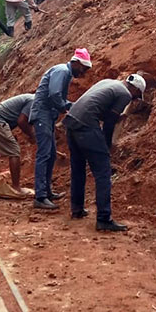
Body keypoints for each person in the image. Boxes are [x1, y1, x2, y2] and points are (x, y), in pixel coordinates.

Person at [64, 74, 146, 231]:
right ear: (135, 89)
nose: (134, 100)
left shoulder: (107, 82)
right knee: (103, 172)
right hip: (86, 126)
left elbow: (96, 107)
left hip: (71, 123)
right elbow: (108, 124)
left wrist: (116, 117)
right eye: (136, 96)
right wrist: (107, 147)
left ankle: (77, 209)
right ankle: (104, 219)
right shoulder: (125, 94)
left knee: (78, 169)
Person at [29, 48, 92, 210]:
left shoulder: (65, 73)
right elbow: (55, 94)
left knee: (50, 155)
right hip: (42, 114)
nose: (83, 72)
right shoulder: (62, 71)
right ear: (76, 63)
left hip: (47, 115)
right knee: (44, 155)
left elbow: (58, 97)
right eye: (83, 68)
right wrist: (66, 107)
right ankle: (40, 196)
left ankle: (47, 192)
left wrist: (71, 105)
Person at [0, 93, 35, 193]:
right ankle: (16, 187)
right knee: (14, 152)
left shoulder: (29, 98)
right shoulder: (33, 100)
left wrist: (30, 134)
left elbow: (25, 121)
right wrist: (32, 136)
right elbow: (22, 121)